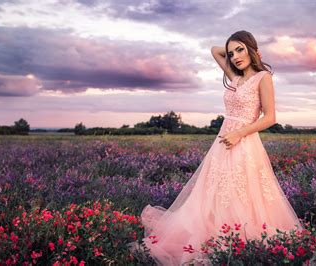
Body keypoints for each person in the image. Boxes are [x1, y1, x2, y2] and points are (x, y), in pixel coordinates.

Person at [129, 30, 304, 265]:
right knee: (213, 194)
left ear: (253, 49)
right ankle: (212, 238)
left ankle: (239, 241)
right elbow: (214, 49)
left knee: (242, 194)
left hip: (244, 141)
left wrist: (240, 133)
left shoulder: (263, 77)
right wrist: (236, 52)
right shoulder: (235, 76)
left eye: (240, 50)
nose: (235, 56)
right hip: (223, 142)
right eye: (231, 53)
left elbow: (270, 117)